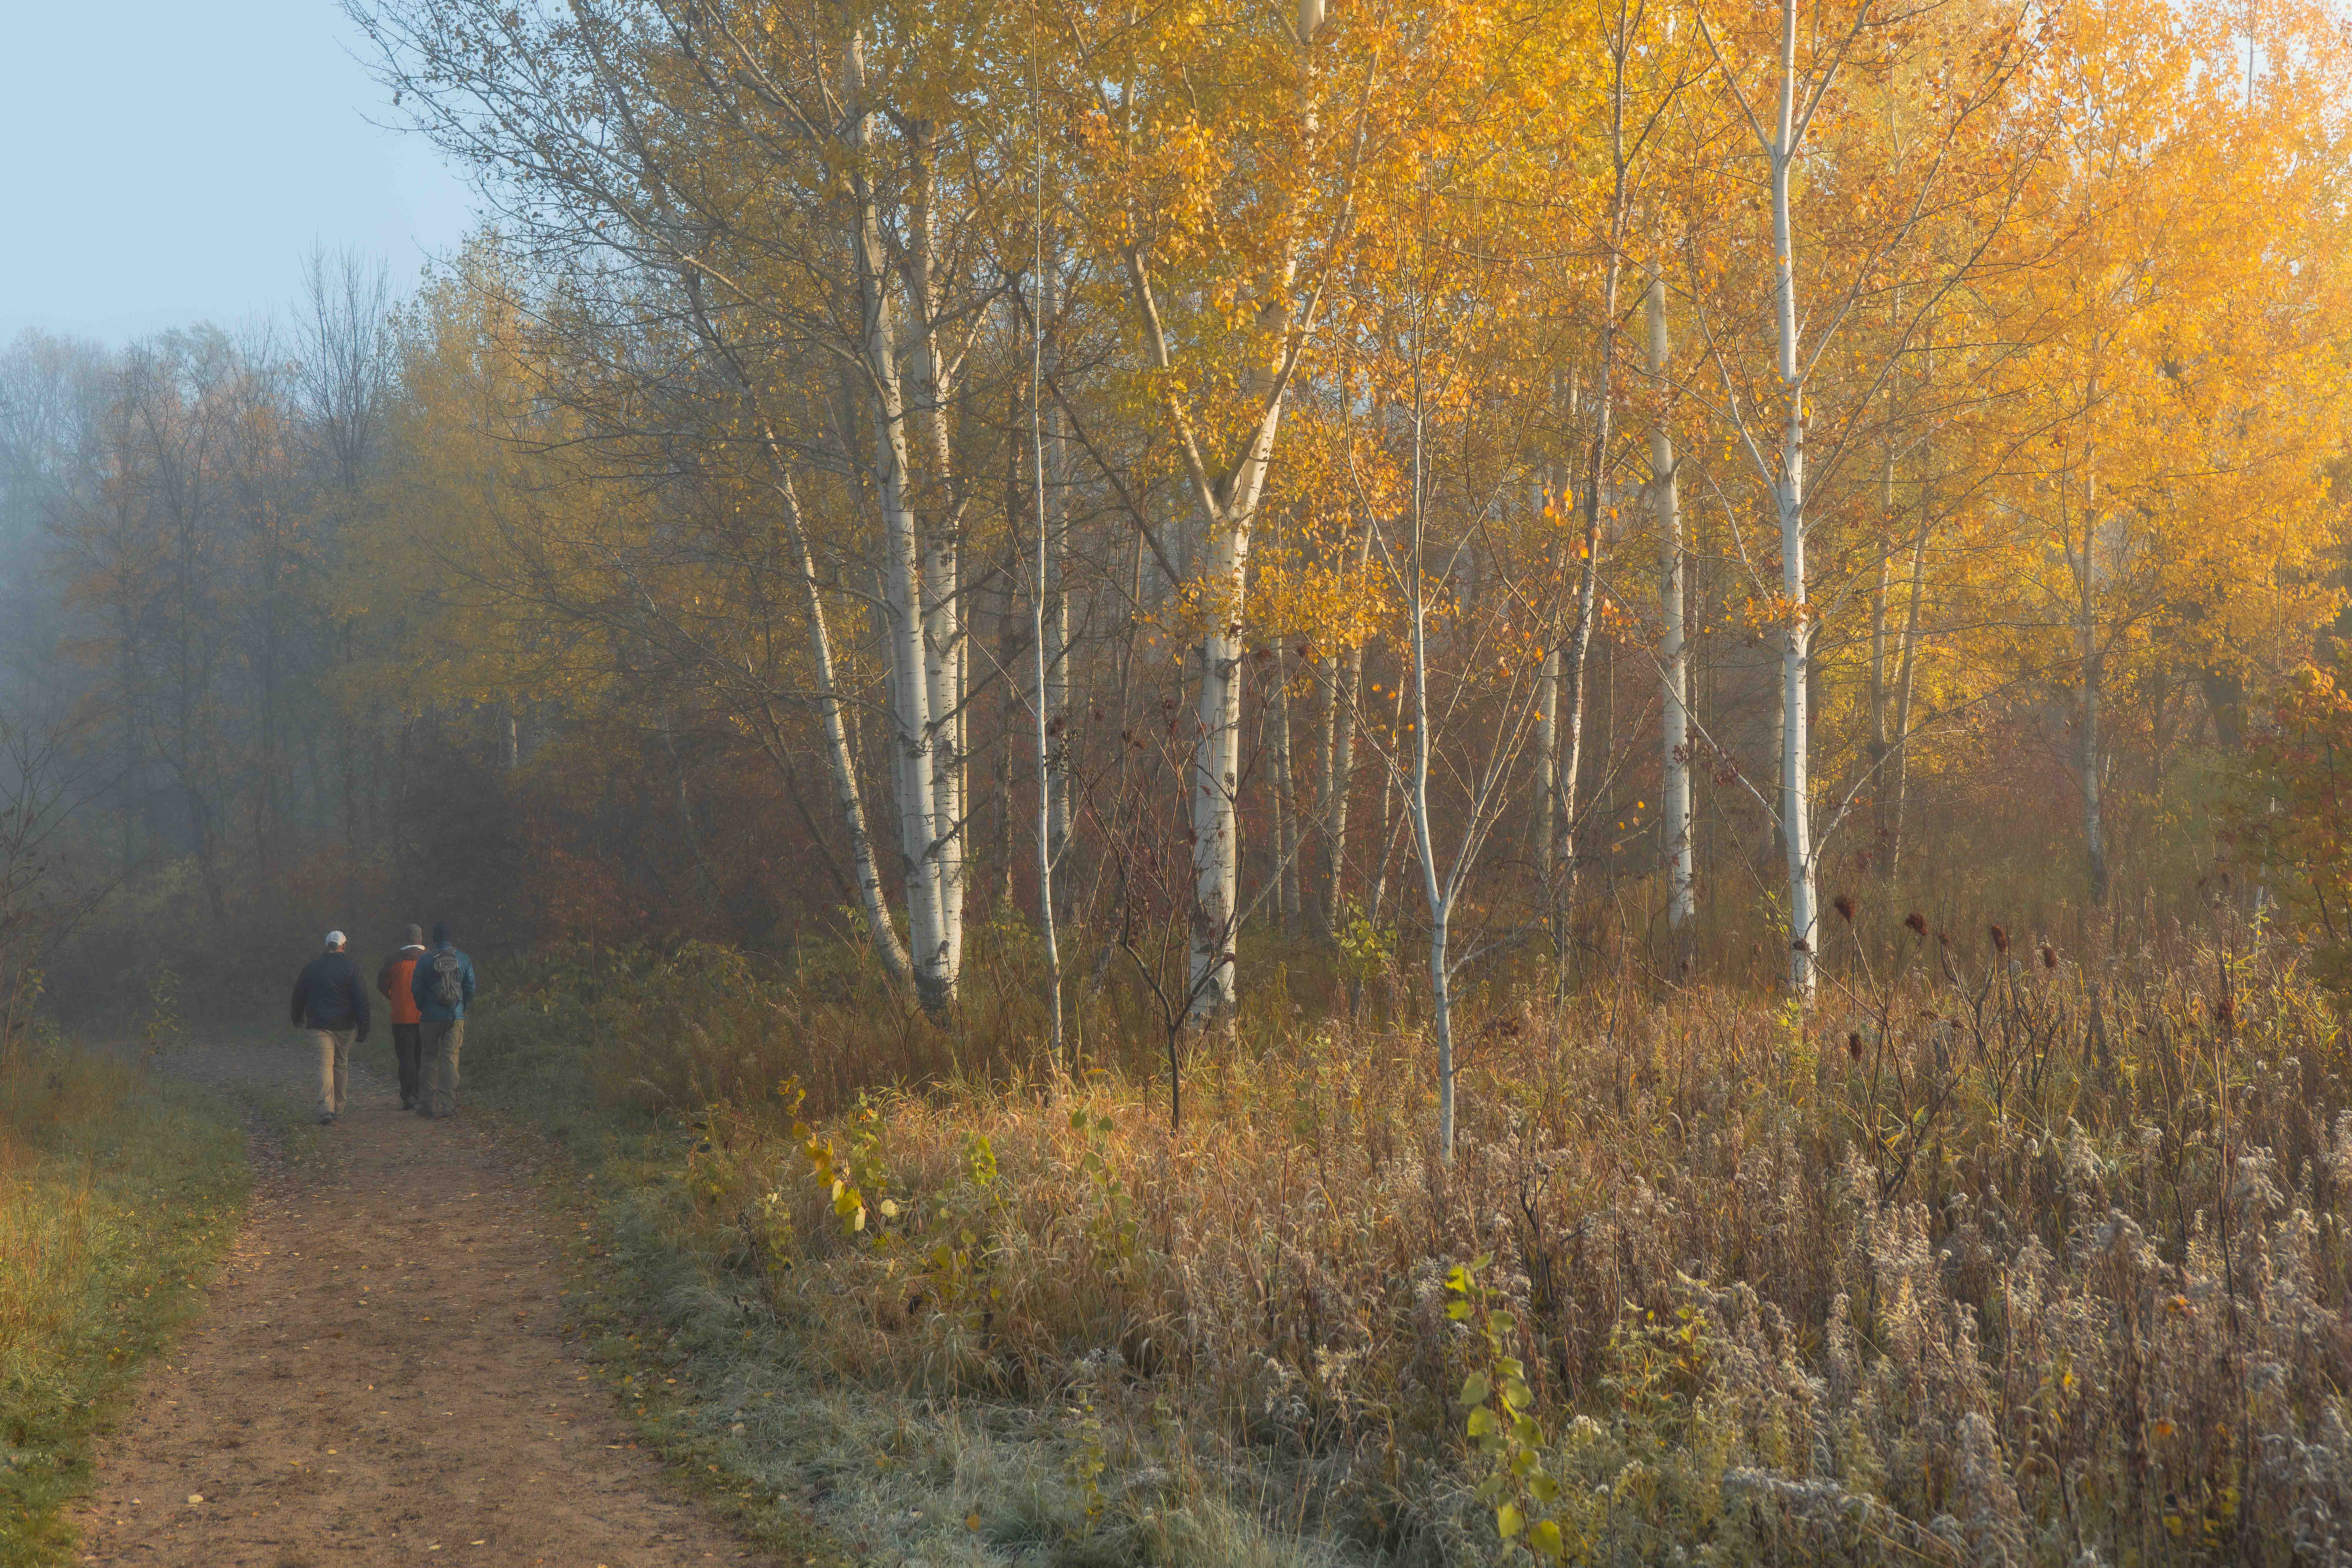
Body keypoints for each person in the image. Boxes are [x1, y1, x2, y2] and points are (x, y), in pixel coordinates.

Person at [290, 931, 370, 1125]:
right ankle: (340, 1107)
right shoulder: (351, 968)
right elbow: (362, 999)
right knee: (341, 1063)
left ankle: (326, 1108)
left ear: (328, 946)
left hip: (319, 1025)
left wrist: (297, 1017)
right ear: (343, 946)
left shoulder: (312, 967)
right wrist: (364, 1026)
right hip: (345, 1026)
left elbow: (299, 994)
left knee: (325, 1065)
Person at [410, 921, 477, 1119]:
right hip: (455, 1017)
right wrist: (462, 1008)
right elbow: (471, 987)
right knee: (450, 1059)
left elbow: (416, 988)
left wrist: (424, 1007)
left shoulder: (425, 960)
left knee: (429, 1059)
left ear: (434, 938)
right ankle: (448, 1106)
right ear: (451, 936)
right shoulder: (463, 958)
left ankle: (428, 1105)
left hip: (430, 1017)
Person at [376, 925, 430, 1110]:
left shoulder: (393, 960)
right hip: (427, 1016)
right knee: (423, 1056)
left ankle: (409, 1096)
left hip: (401, 1017)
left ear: (405, 939)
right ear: (421, 940)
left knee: (406, 1057)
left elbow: (382, 985)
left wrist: (394, 997)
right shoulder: (430, 959)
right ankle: (424, 1094)